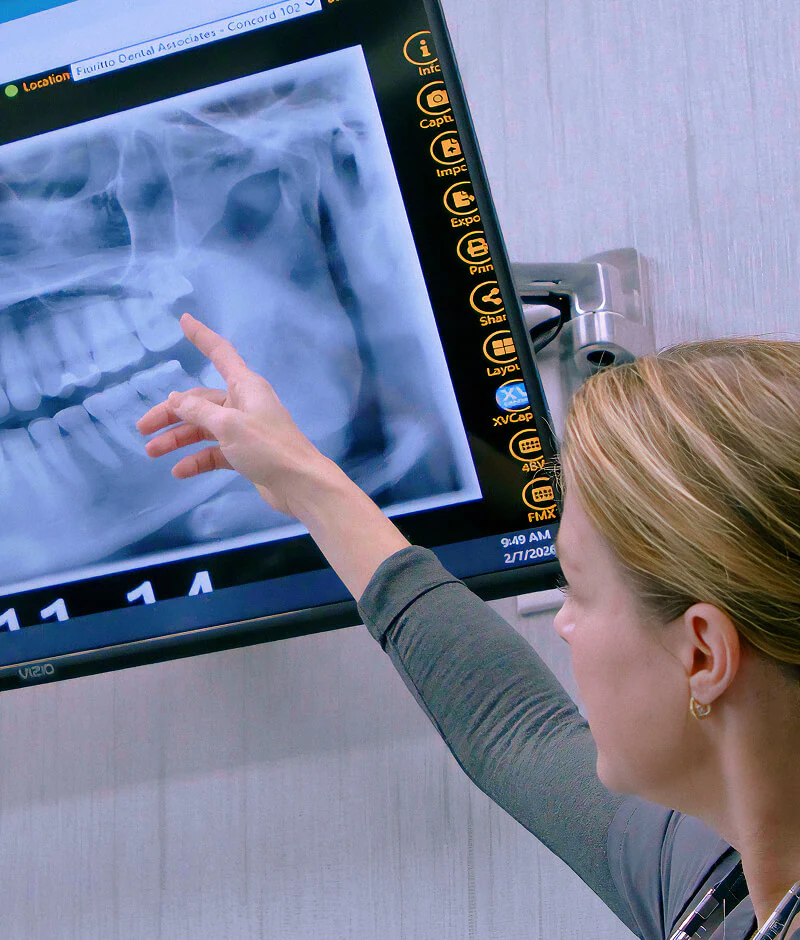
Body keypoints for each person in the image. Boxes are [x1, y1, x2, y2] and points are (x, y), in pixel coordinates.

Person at [137, 312, 800, 940]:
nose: (563, 623)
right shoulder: (717, 874)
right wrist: (303, 480)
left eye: (579, 589)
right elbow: (509, 724)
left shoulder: (701, 868)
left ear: (703, 654)